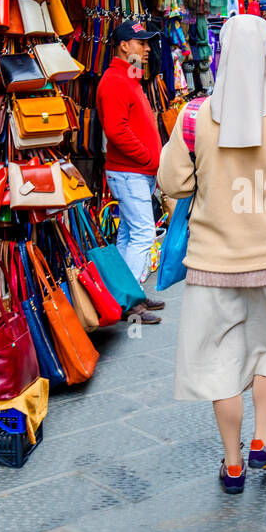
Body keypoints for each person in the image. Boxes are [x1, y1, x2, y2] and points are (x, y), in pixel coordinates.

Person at [157, 15, 266, 493]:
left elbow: (172, 183)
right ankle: (262, 441)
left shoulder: (192, 118)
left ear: (221, 56)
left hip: (212, 265)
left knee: (220, 364)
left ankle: (232, 464)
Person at [96, 20, 168, 323]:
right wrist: (148, 158)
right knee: (142, 234)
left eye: (148, 43)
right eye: (141, 43)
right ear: (124, 45)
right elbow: (116, 131)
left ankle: (125, 295)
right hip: (130, 172)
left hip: (133, 172)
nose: (148, 48)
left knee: (128, 234)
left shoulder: (127, 78)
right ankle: (130, 299)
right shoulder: (115, 80)